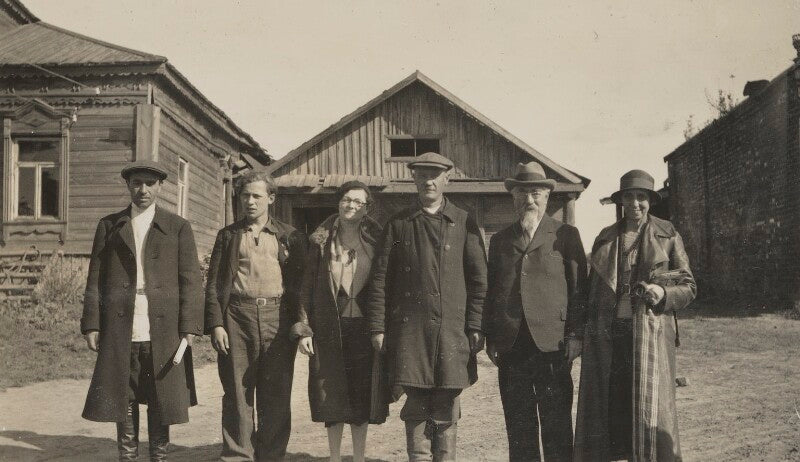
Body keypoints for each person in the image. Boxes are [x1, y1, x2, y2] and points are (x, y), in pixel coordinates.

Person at [366, 152, 488, 462]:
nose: (428, 180)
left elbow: (479, 281)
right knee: (416, 403)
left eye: (435, 174)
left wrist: (475, 325)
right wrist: (378, 326)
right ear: (414, 179)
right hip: (411, 333)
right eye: (422, 174)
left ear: (447, 179)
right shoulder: (398, 224)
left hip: (452, 332)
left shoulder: (463, 222)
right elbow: (380, 279)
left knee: (446, 401)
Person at [81, 159, 203, 461]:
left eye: (150, 183)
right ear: (128, 186)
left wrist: (189, 326)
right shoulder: (110, 226)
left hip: (164, 326)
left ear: (160, 187)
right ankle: (128, 457)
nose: (143, 189)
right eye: (137, 183)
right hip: (122, 324)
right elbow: (95, 277)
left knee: (162, 396)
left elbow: (191, 281)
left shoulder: (177, 227)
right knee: (124, 394)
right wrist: (92, 323)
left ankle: (158, 457)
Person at [573, 170, 696, 462]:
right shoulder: (606, 238)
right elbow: (590, 291)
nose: (635, 204)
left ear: (650, 201)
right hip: (610, 337)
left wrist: (664, 294)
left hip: (650, 338)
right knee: (613, 409)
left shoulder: (668, 235)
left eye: (642, 197)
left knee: (649, 409)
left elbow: (689, 286)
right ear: (621, 201)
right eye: (629, 197)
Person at [484, 161, 587, 461]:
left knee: (556, 424)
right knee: (519, 426)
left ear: (546, 197)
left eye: (536, 193)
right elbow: (493, 293)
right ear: (513, 197)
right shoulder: (500, 240)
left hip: (553, 345)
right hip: (512, 345)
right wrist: (492, 339)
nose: (529, 200)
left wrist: (576, 335)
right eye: (522, 193)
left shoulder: (566, 235)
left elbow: (579, 289)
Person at [204, 170, 307, 461]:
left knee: (276, 393)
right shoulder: (228, 235)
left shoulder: (290, 236)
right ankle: (238, 455)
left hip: (278, 318)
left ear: (270, 198)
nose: (250, 201)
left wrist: (301, 324)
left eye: (256, 196)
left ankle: (271, 455)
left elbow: (299, 287)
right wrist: (216, 323)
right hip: (237, 317)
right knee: (238, 392)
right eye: (245, 195)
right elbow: (214, 284)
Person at [292, 181, 387, 462]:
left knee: (361, 397)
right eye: (347, 199)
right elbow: (305, 287)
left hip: (363, 329)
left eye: (359, 202)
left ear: (367, 208)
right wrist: (304, 329)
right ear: (338, 202)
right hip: (328, 329)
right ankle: (334, 457)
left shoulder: (376, 239)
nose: (351, 206)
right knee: (330, 395)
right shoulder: (319, 241)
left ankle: (358, 457)